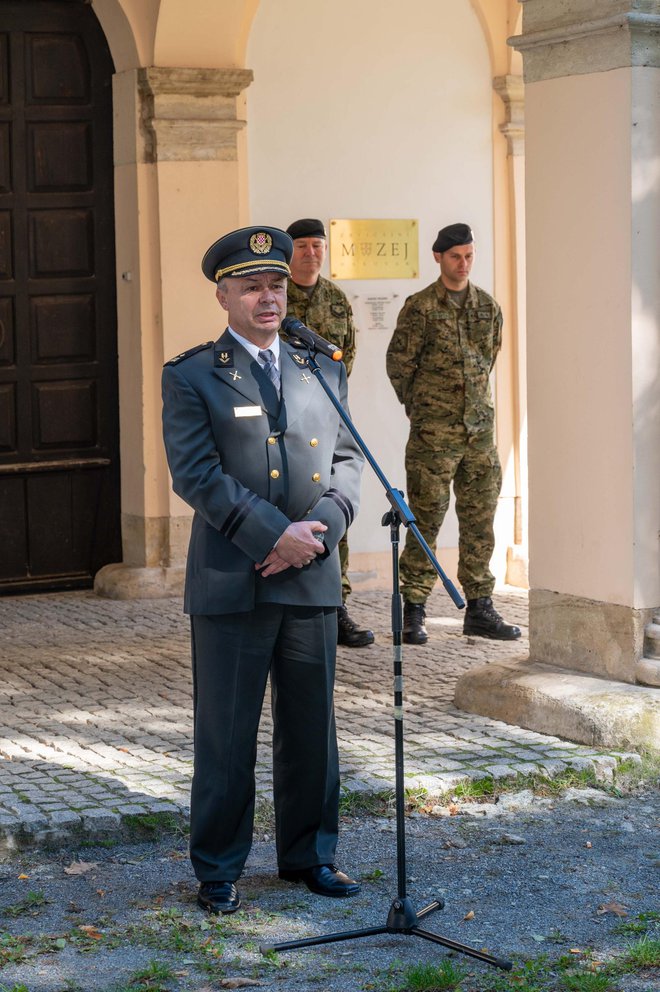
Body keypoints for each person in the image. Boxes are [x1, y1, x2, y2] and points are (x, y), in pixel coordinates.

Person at [162, 225, 365, 915]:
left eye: (276, 284)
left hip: (310, 577)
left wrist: (323, 531)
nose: (268, 297)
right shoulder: (192, 375)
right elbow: (196, 474)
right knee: (227, 732)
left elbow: (348, 461)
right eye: (252, 286)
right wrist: (274, 535)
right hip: (233, 578)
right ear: (224, 295)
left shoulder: (322, 368)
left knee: (312, 728)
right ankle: (218, 867)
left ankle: (310, 856)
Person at [386, 223, 521, 645]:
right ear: (438, 258)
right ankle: (415, 608)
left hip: (479, 434)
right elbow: (399, 365)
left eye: (468, 256)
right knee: (425, 520)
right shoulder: (420, 307)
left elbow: (487, 359)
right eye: (455, 257)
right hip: (433, 435)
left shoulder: (488, 307)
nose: (463, 264)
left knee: (480, 521)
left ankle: (480, 607)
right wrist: (424, 409)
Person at [284, 218, 374, 649]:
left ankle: (335, 604)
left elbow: (347, 355)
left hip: (330, 413)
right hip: (283, 417)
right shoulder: (276, 295)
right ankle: (288, 598)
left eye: (317, 245)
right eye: (302, 246)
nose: (311, 253)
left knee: (335, 501)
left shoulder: (337, 299)